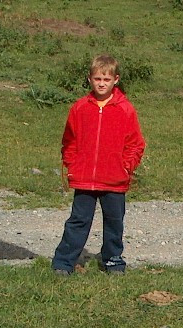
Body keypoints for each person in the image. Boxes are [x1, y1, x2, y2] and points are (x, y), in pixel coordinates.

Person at [51, 55, 146, 275]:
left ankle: (113, 261)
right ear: (89, 79)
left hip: (114, 180)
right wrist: (72, 165)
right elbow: (69, 141)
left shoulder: (125, 109)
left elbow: (136, 144)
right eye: (97, 78)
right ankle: (64, 262)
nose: (101, 83)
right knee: (78, 221)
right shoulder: (80, 108)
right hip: (84, 179)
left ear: (116, 80)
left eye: (106, 79)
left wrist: (126, 167)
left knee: (114, 223)